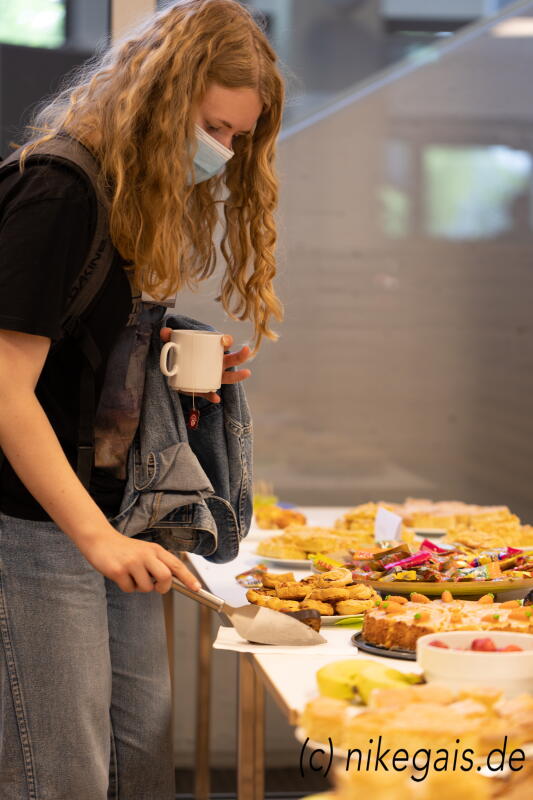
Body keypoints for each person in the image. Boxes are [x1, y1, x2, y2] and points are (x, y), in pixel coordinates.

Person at [0, 1, 284, 797]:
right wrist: (97, 540)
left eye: (238, 138)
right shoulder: (58, 193)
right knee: (63, 776)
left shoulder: (124, 199)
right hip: (34, 523)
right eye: (213, 129)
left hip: (109, 511)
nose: (224, 154)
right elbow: (6, 390)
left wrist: (167, 368)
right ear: (159, 100)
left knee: (143, 760)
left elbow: (73, 357)